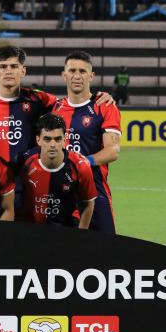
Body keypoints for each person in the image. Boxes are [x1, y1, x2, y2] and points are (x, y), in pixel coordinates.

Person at [53, 51, 121, 233]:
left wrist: (82, 162)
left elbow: (113, 150)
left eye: (82, 71)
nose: (77, 76)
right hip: (59, 191)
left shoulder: (104, 106)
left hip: (95, 189)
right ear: (63, 75)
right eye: (72, 70)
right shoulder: (53, 108)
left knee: (105, 252)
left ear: (91, 76)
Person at [17, 113, 96, 228]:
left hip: (66, 230)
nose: (52, 145)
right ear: (38, 140)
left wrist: (81, 236)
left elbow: (88, 203)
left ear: (64, 140)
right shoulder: (24, 162)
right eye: (47, 139)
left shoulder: (80, 166)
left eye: (57, 139)